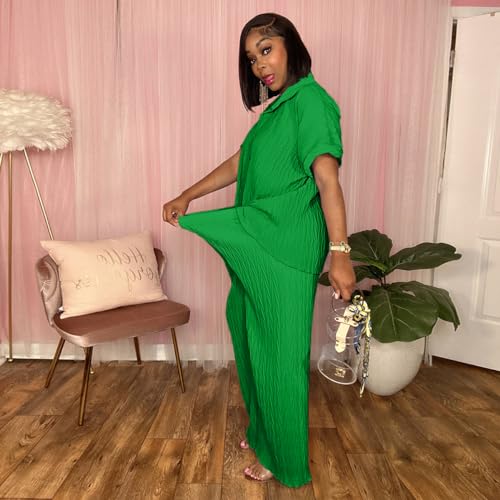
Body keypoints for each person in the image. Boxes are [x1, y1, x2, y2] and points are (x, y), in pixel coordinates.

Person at [162, 12, 356, 488]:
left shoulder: (312, 102)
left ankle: (284, 458)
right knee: (248, 333)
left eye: (266, 50)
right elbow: (240, 162)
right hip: (260, 237)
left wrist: (340, 253)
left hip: (285, 242)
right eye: (251, 59)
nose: (259, 65)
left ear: (292, 47)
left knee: (279, 353)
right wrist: (188, 194)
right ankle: (264, 429)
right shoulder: (276, 109)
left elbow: (328, 181)